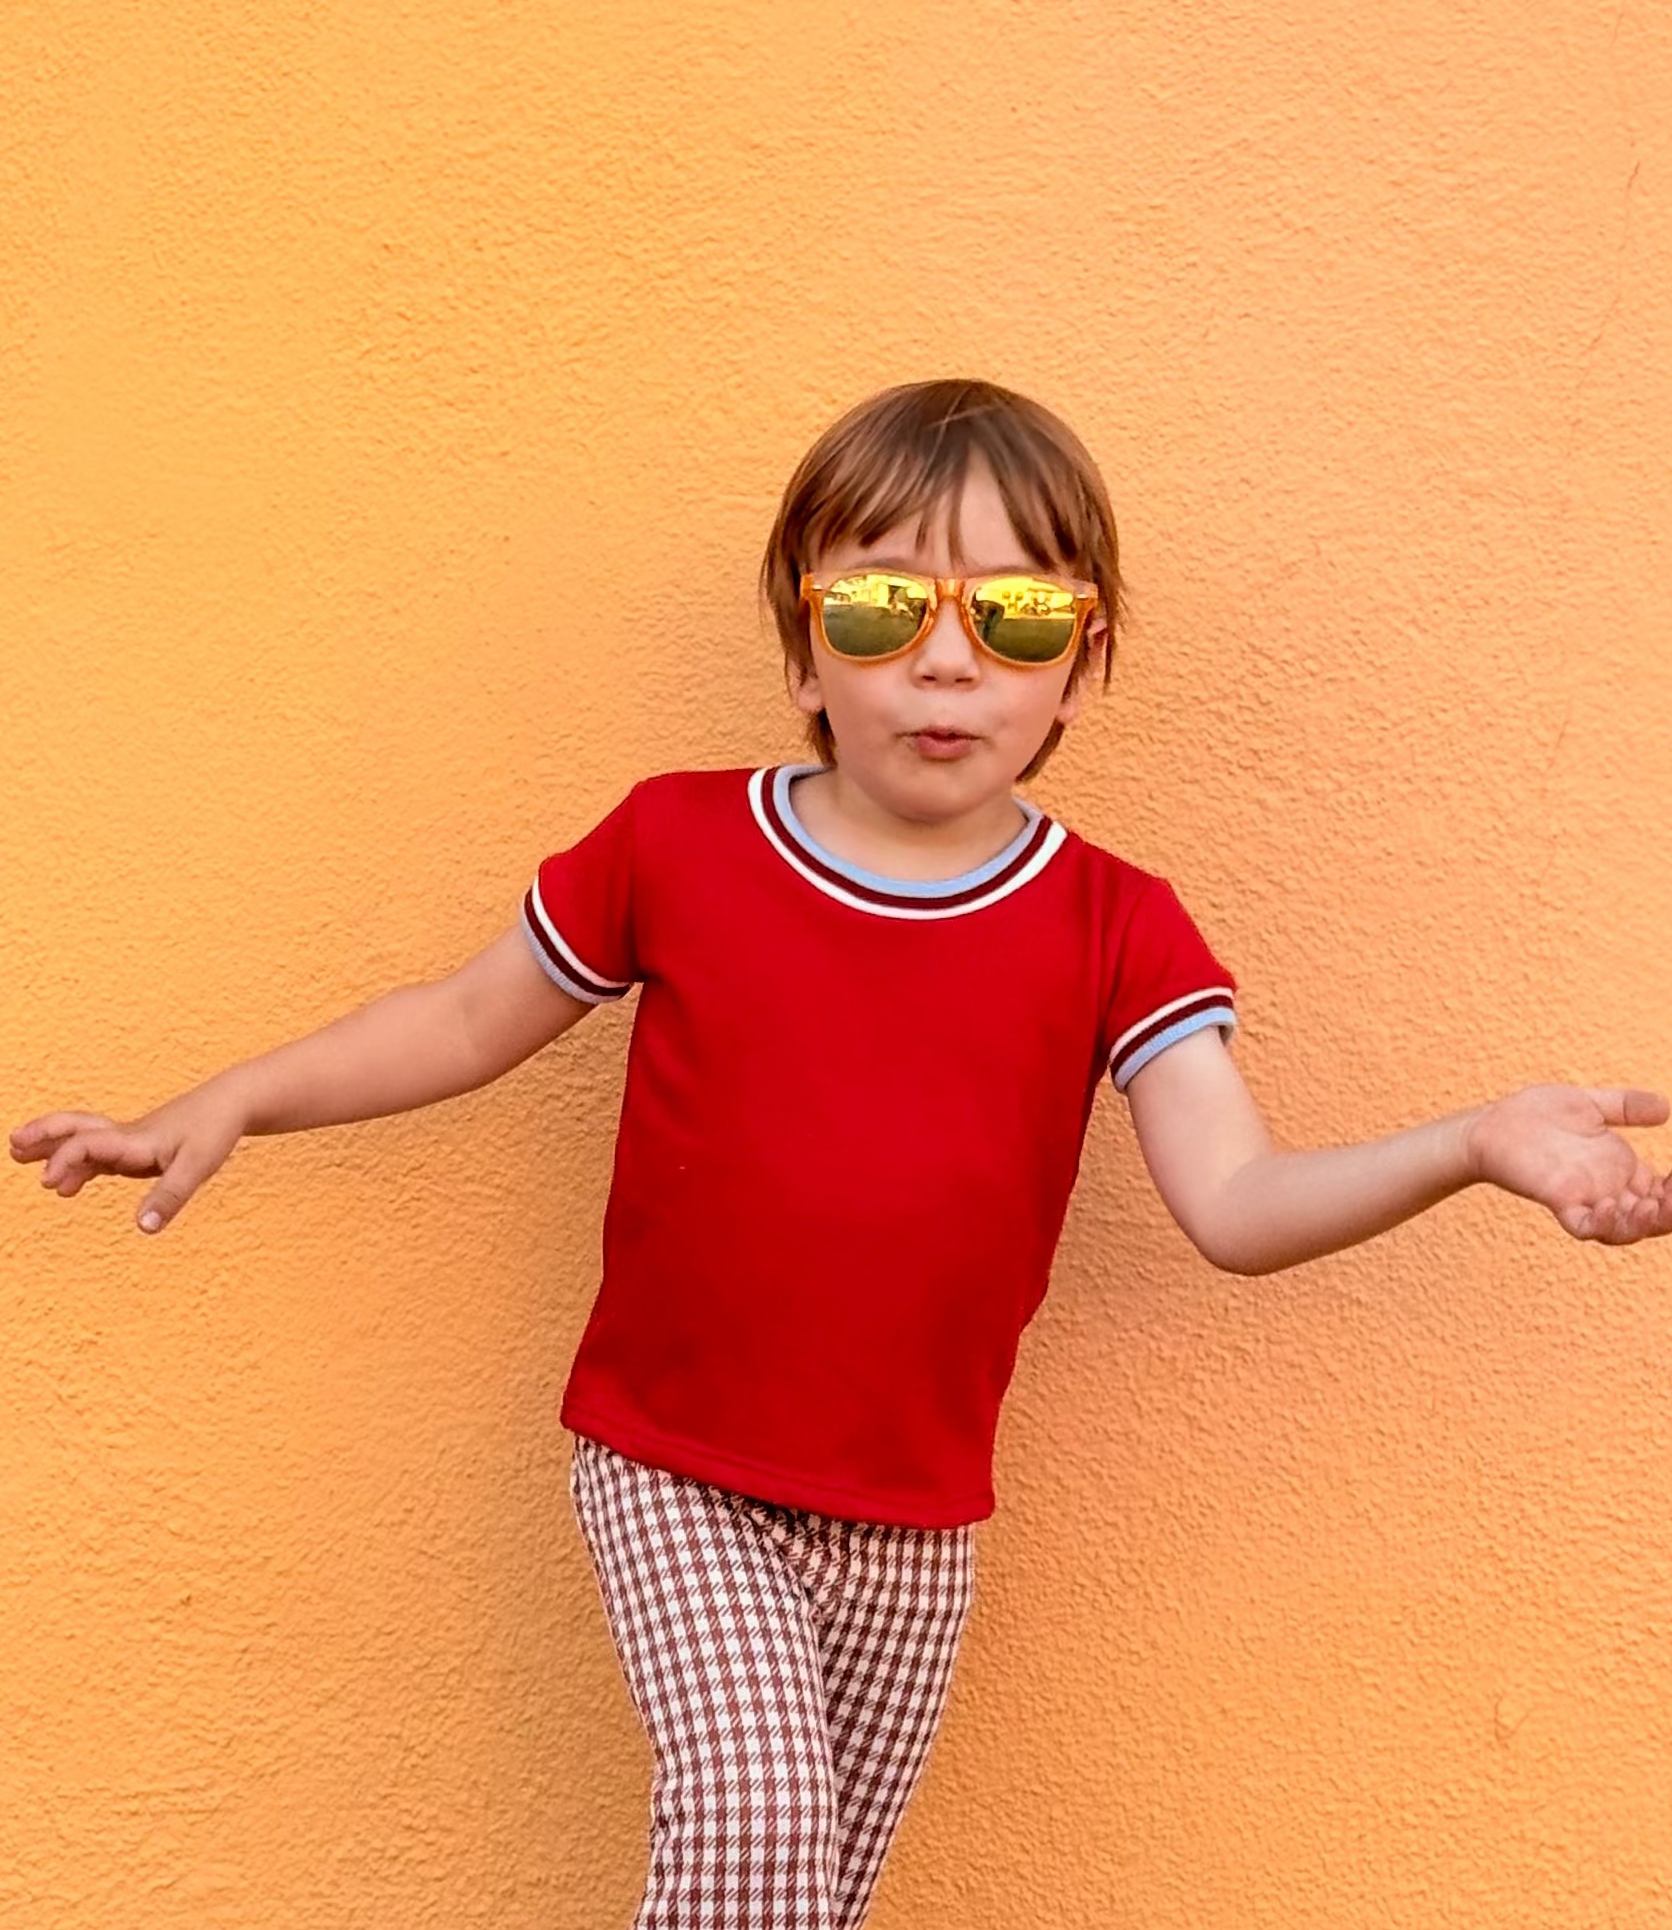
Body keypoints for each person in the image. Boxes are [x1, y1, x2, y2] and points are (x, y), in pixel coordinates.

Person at [12, 378, 1671, 1929]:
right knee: (750, 1818)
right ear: (807, 652)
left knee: (804, 1895)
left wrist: (1470, 1142)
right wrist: (232, 1094)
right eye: (884, 609)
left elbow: (1236, 1206)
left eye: (1016, 617)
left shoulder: (1118, 929)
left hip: (918, 1516)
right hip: (675, 1463)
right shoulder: (675, 843)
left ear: (1078, 672)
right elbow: (458, 1024)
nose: (946, 665)